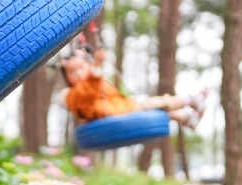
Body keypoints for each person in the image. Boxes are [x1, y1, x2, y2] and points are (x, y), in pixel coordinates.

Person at [59, 49, 208, 128]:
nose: (78, 74)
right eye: (72, 72)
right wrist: (97, 64)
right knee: (155, 103)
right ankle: (191, 100)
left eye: (81, 68)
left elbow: (101, 91)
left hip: (119, 109)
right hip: (115, 113)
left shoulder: (93, 83)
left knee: (155, 109)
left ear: (87, 66)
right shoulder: (73, 93)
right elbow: (87, 92)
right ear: (66, 77)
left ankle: (187, 119)